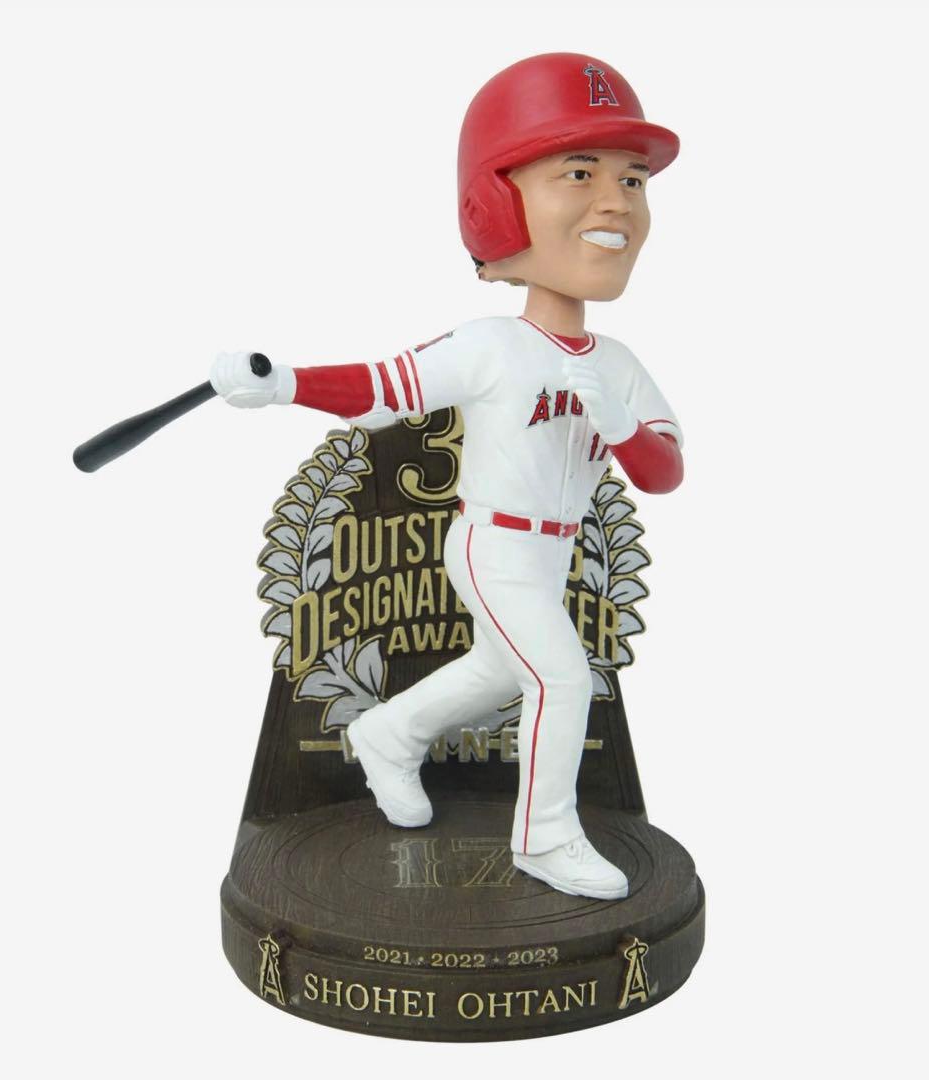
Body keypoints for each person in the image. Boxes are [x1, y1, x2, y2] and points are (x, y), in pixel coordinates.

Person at [209, 53, 684, 899]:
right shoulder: (492, 344)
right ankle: (545, 838)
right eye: (580, 173)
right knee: (561, 677)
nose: (616, 201)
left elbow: (665, 472)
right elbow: (385, 387)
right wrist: (283, 383)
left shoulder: (618, 363)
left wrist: (618, 422)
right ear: (497, 208)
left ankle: (388, 734)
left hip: (553, 553)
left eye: (632, 179)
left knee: (499, 671)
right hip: (493, 544)